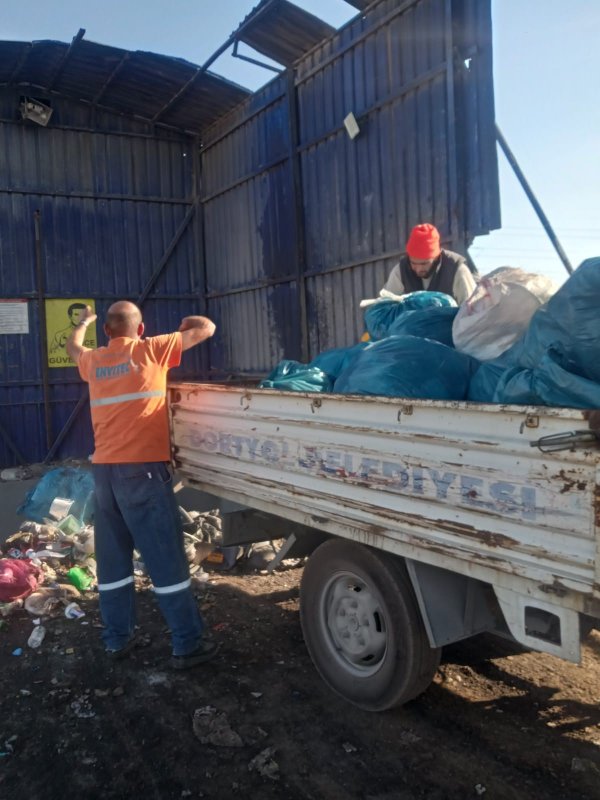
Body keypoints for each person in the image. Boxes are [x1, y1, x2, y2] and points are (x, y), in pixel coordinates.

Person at [66, 301, 218, 669]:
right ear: (142, 328)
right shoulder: (153, 349)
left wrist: (84, 322)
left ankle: (117, 639)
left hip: (104, 474)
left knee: (113, 562)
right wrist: (186, 322)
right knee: (164, 558)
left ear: (107, 331)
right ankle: (186, 642)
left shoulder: (95, 361)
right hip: (144, 473)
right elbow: (206, 327)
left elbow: (72, 347)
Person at [382, 223, 477, 304]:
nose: (418, 269)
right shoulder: (401, 271)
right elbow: (385, 305)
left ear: (436, 257)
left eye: (424, 264)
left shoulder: (457, 270)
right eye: (413, 263)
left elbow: (471, 310)